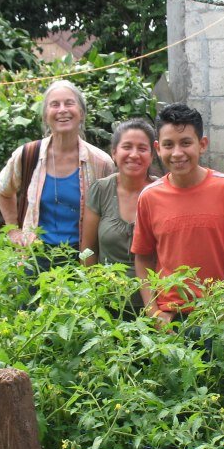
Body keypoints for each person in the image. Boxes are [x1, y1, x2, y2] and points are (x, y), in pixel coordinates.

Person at [131, 103, 224, 325]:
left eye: (186, 143)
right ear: (158, 148)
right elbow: (143, 257)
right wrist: (154, 313)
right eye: (168, 145)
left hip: (220, 315)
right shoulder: (149, 197)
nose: (177, 153)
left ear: (202, 144)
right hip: (171, 317)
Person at [0, 79, 114, 264]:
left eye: (69, 103)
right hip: (35, 259)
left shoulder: (101, 162)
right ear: (45, 116)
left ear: (81, 113)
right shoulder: (28, 155)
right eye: (55, 104)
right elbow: (3, 189)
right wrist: (12, 230)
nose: (62, 110)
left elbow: (110, 214)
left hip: (83, 260)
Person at [82, 118, 158, 311]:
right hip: (109, 305)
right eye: (127, 147)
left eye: (142, 148)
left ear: (152, 155)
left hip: (158, 305)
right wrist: (96, 297)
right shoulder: (101, 190)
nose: (134, 154)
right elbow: (88, 252)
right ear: (114, 153)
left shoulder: (164, 191)